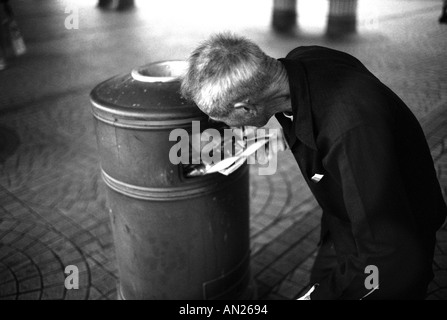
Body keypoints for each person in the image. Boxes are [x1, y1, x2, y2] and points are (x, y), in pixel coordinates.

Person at [180, 33, 447, 300]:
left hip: (391, 247)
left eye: (224, 119)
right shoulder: (301, 61)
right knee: (321, 281)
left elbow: (385, 255)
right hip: (346, 222)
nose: (226, 127)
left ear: (247, 108)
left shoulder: (350, 132)